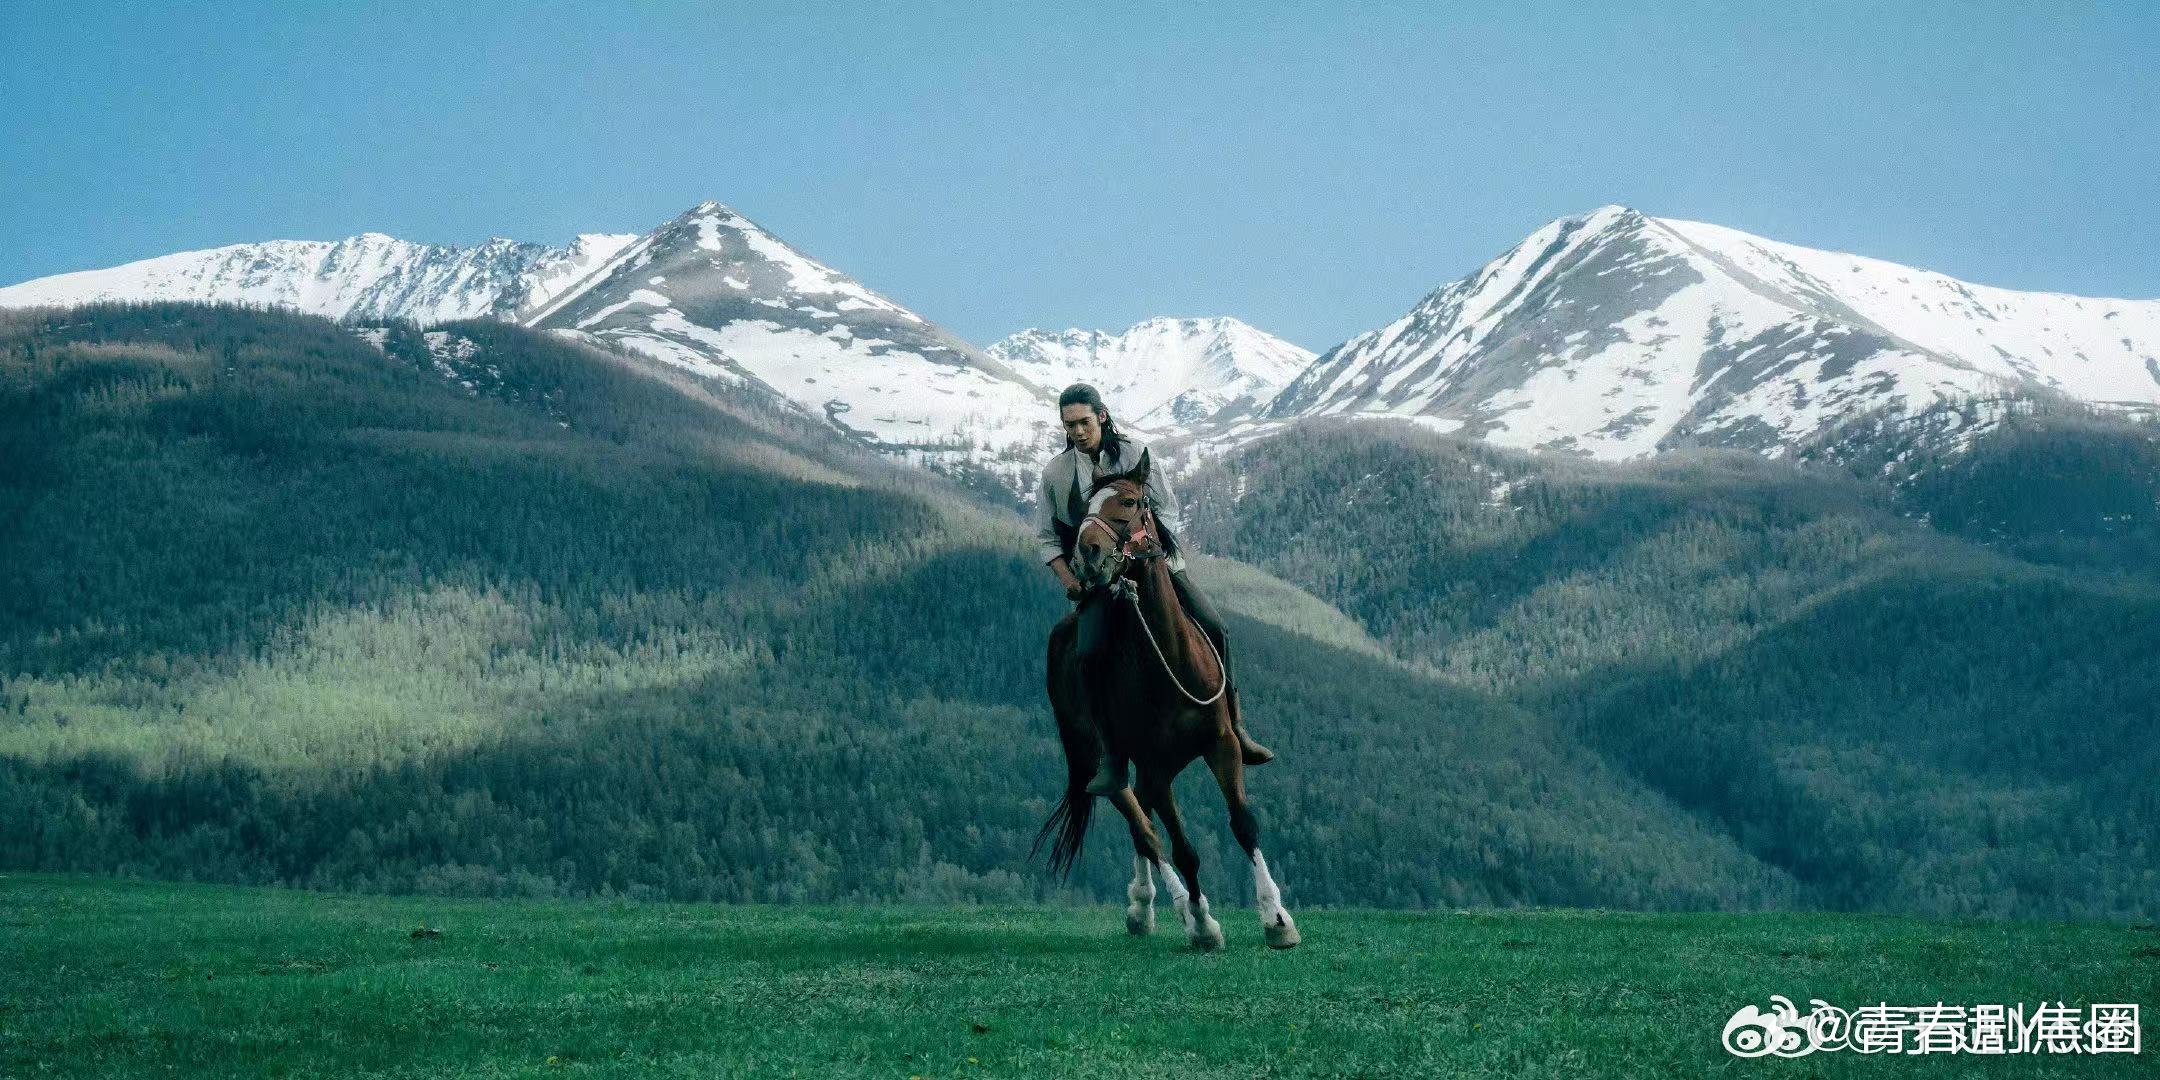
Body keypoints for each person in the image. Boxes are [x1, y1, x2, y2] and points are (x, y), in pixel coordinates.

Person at [1035, 383, 1273, 795]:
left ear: (1101, 416)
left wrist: (1140, 555)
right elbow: (1046, 538)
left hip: (1156, 569)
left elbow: (1168, 511)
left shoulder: (1135, 454)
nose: (1077, 431)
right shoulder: (1055, 475)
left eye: (1083, 422)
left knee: (1215, 626)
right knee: (1088, 653)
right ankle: (1113, 758)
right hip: (1100, 581)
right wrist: (1070, 580)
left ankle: (1235, 726)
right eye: (1069, 424)